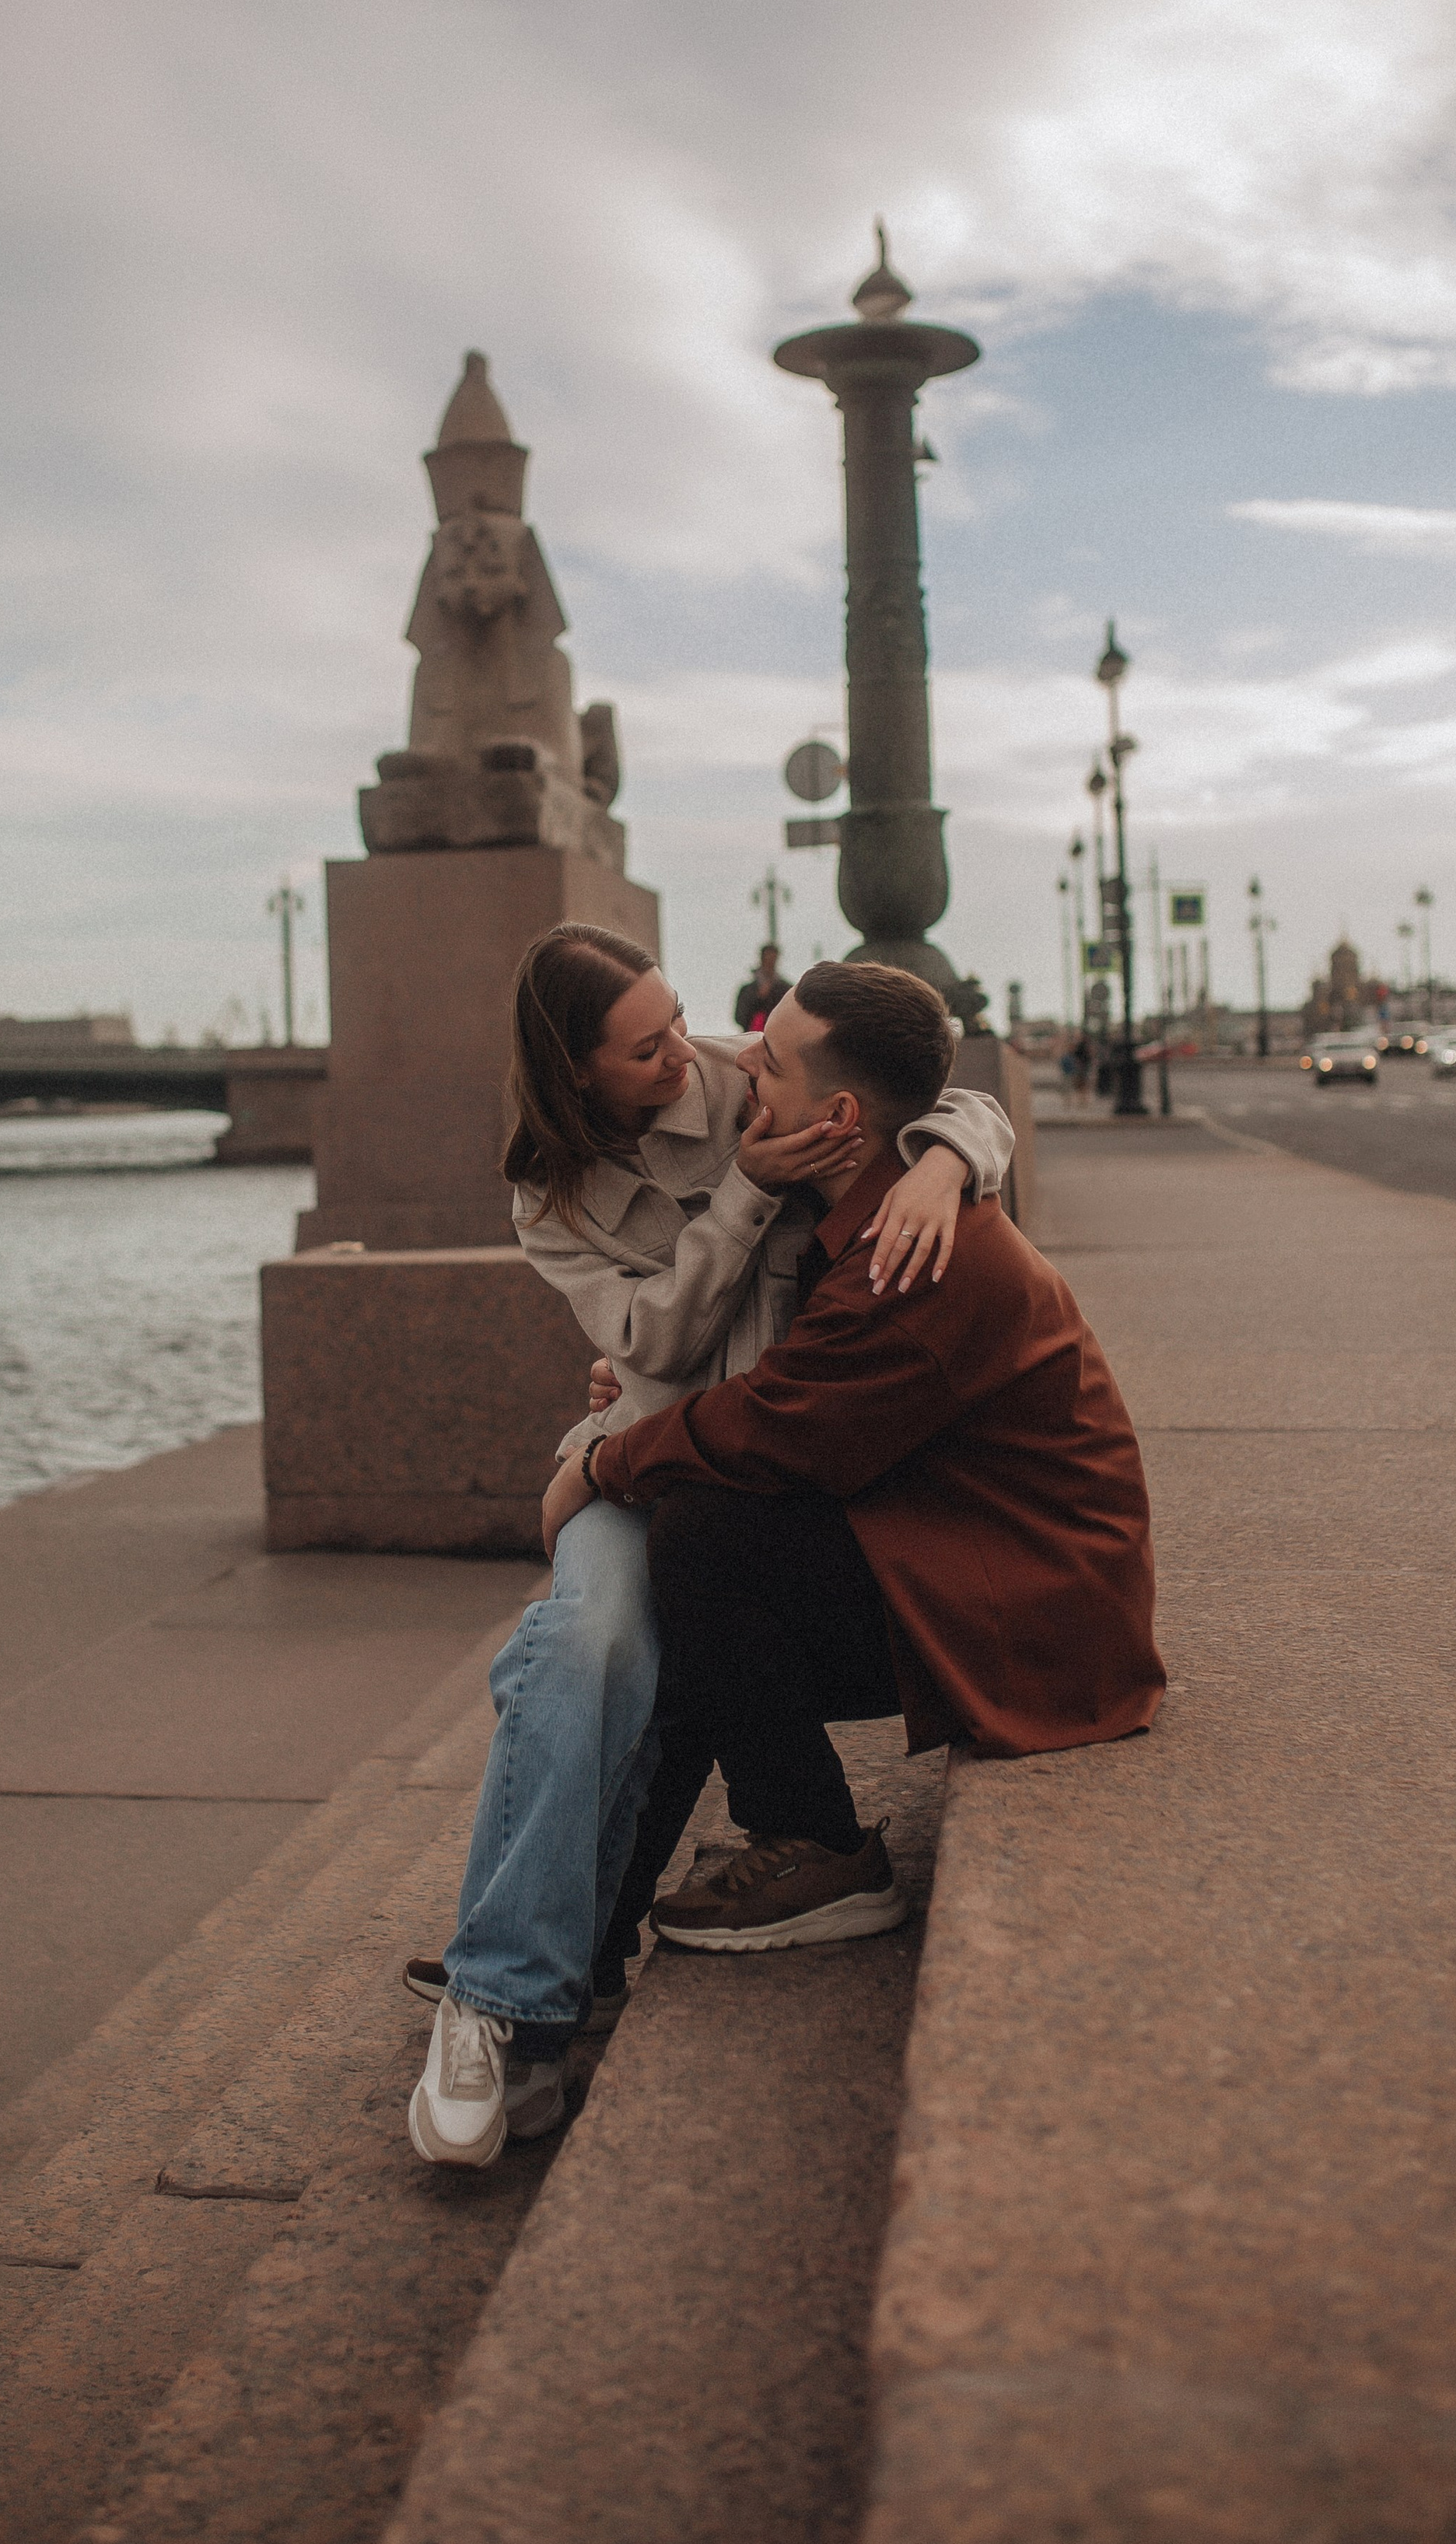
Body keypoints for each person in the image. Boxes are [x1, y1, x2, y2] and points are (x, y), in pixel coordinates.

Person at [407, 925, 1015, 2168]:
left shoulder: (745, 1077)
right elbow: (656, 1347)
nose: (682, 1053)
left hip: (731, 1475)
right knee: (580, 1645)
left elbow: (938, 1078)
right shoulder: (550, 1196)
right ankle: (503, 2001)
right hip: (649, 1457)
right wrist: (743, 1196)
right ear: (579, 1072)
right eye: (645, 1048)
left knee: (650, 1646)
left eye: (678, 1017)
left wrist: (942, 1165)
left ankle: (520, 1996)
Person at [539, 959, 1162, 1954]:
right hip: (981, 1554)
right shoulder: (870, 1204)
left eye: (773, 1062)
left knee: (701, 1547)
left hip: (1040, 1615)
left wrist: (596, 1468)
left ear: (836, 1116)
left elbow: (776, 1424)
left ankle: (816, 1849)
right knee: (697, 1608)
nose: (744, 1069)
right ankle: (579, 1950)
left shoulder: (907, 1256)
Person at [733, 943, 791, 1032]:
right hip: (752, 1035)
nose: (770, 962)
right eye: (768, 958)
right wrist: (758, 998)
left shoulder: (785, 989)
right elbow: (739, 1017)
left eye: (773, 959)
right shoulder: (748, 990)